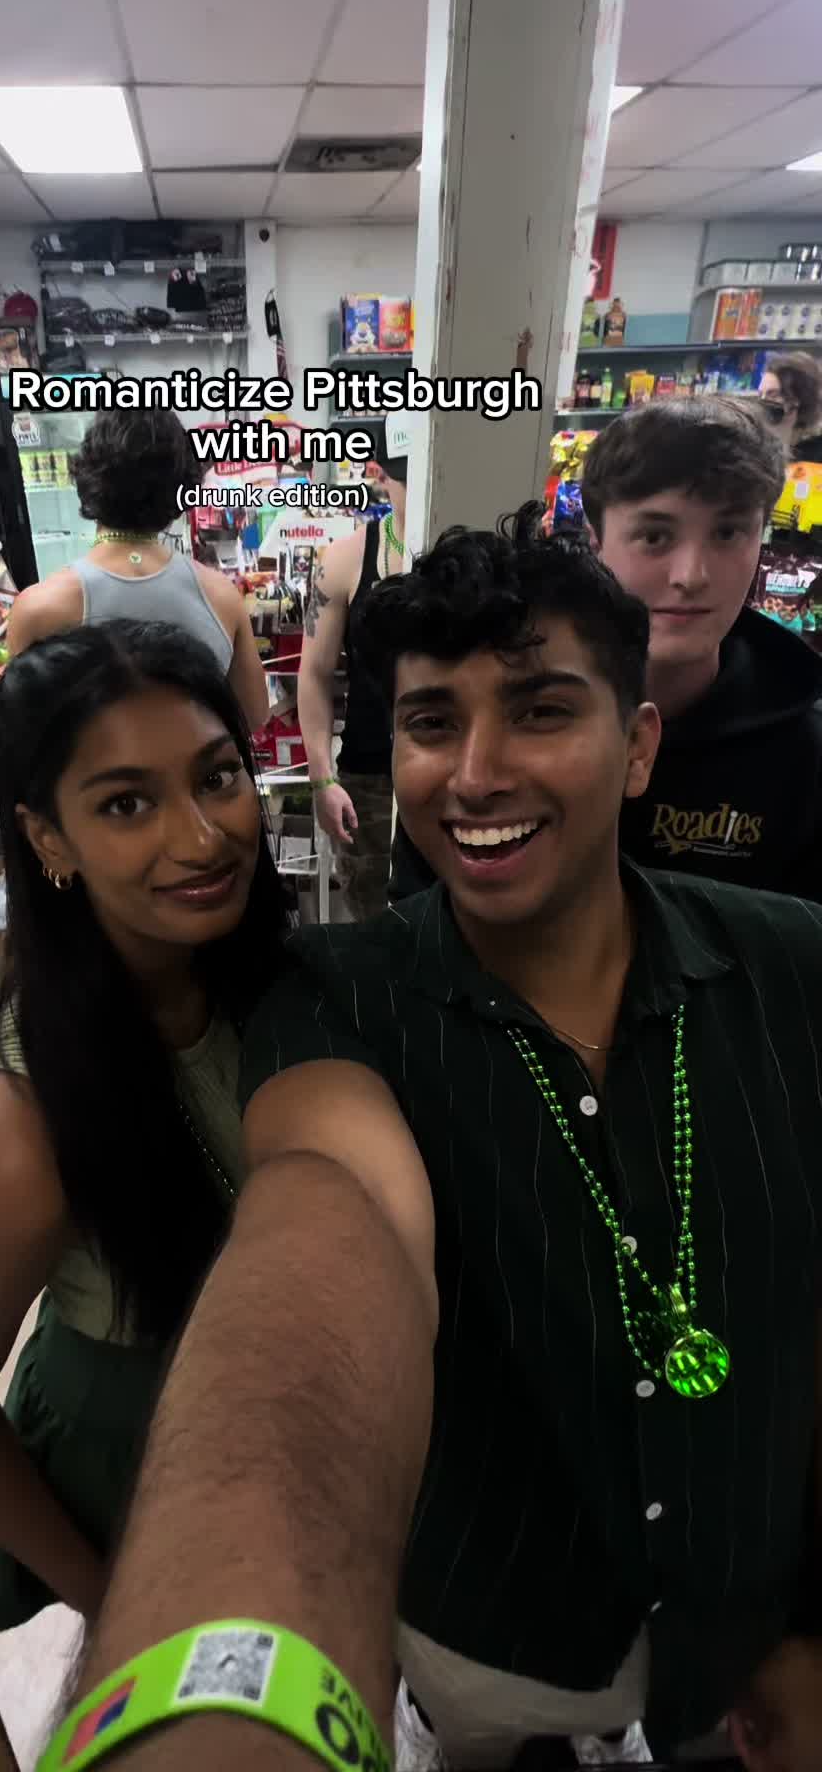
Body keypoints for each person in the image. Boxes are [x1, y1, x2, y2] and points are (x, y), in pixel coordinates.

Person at [43, 518, 822, 1772]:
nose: (477, 773)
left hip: (749, 1622)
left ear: (638, 748)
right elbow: (325, 1227)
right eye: (430, 723)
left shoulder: (794, 968)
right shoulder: (340, 998)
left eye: (541, 710)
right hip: (492, 1640)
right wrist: (222, 1701)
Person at [0, 621, 291, 1629]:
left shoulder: (255, 973)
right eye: (126, 803)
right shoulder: (22, 1124)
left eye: (217, 778)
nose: (201, 838)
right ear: (48, 840)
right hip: (139, 1452)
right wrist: (114, 1608)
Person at [393, 396, 822, 900]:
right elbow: (420, 912)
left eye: (728, 533)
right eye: (655, 536)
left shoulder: (805, 754)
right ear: (595, 541)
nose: (691, 576)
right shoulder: (486, 707)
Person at [7, 406, 268, 732]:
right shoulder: (222, 597)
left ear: (88, 477)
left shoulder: (38, 609)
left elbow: (18, 737)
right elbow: (254, 715)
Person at [297, 422, 407, 919]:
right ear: (380, 475)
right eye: (405, 479)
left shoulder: (473, 553)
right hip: (370, 776)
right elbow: (314, 674)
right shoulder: (344, 560)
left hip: (455, 771)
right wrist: (322, 779)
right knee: (375, 925)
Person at [759, 350, 822, 464]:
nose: (763, 401)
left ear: (796, 398)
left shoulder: (816, 449)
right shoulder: (759, 443)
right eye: (760, 395)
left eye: (773, 395)